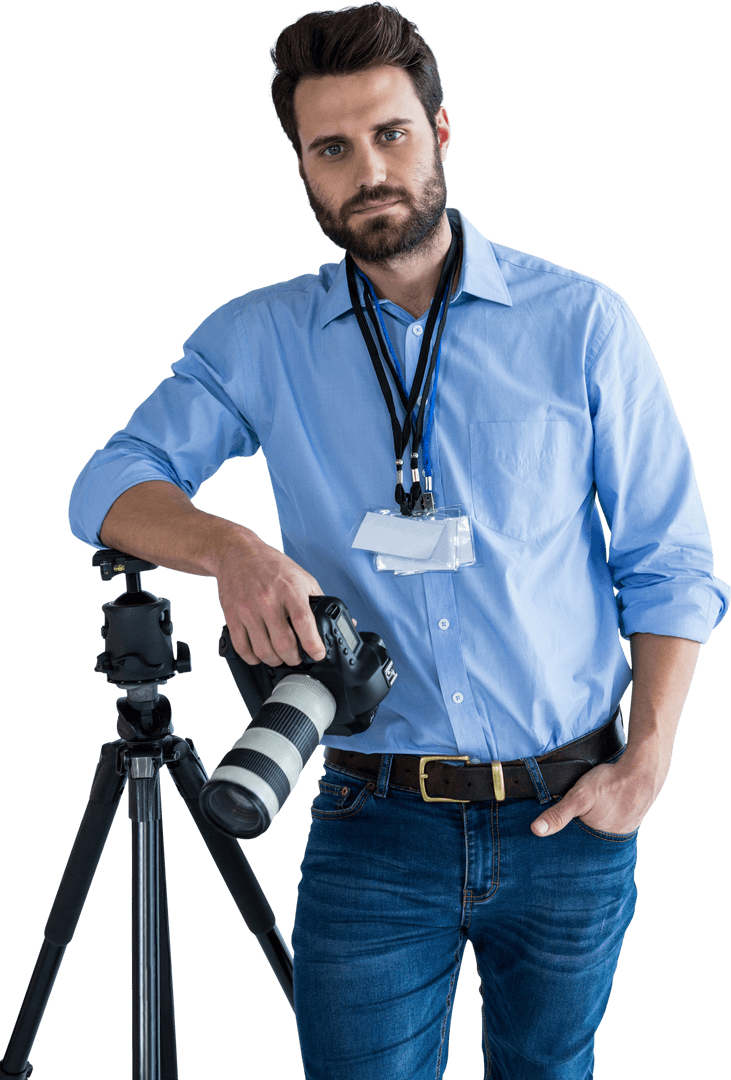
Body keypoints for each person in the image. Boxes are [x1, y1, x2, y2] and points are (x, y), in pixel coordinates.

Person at [68, 4, 728, 1078]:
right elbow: (103, 484)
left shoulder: (581, 321)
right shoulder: (256, 338)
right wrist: (226, 546)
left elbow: (667, 562)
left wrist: (645, 760)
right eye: (330, 148)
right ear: (301, 168)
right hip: (372, 821)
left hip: (571, 814)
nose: (366, 169)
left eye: (389, 135)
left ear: (441, 133)